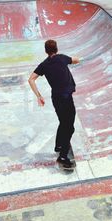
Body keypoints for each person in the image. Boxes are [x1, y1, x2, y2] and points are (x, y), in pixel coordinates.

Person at [28, 39, 80, 169]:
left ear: (46, 51)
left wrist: (39, 96)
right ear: (56, 49)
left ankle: (58, 145)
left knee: (63, 122)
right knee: (69, 127)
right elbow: (76, 60)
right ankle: (62, 156)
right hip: (66, 98)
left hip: (56, 98)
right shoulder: (62, 58)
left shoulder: (44, 64)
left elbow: (31, 80)